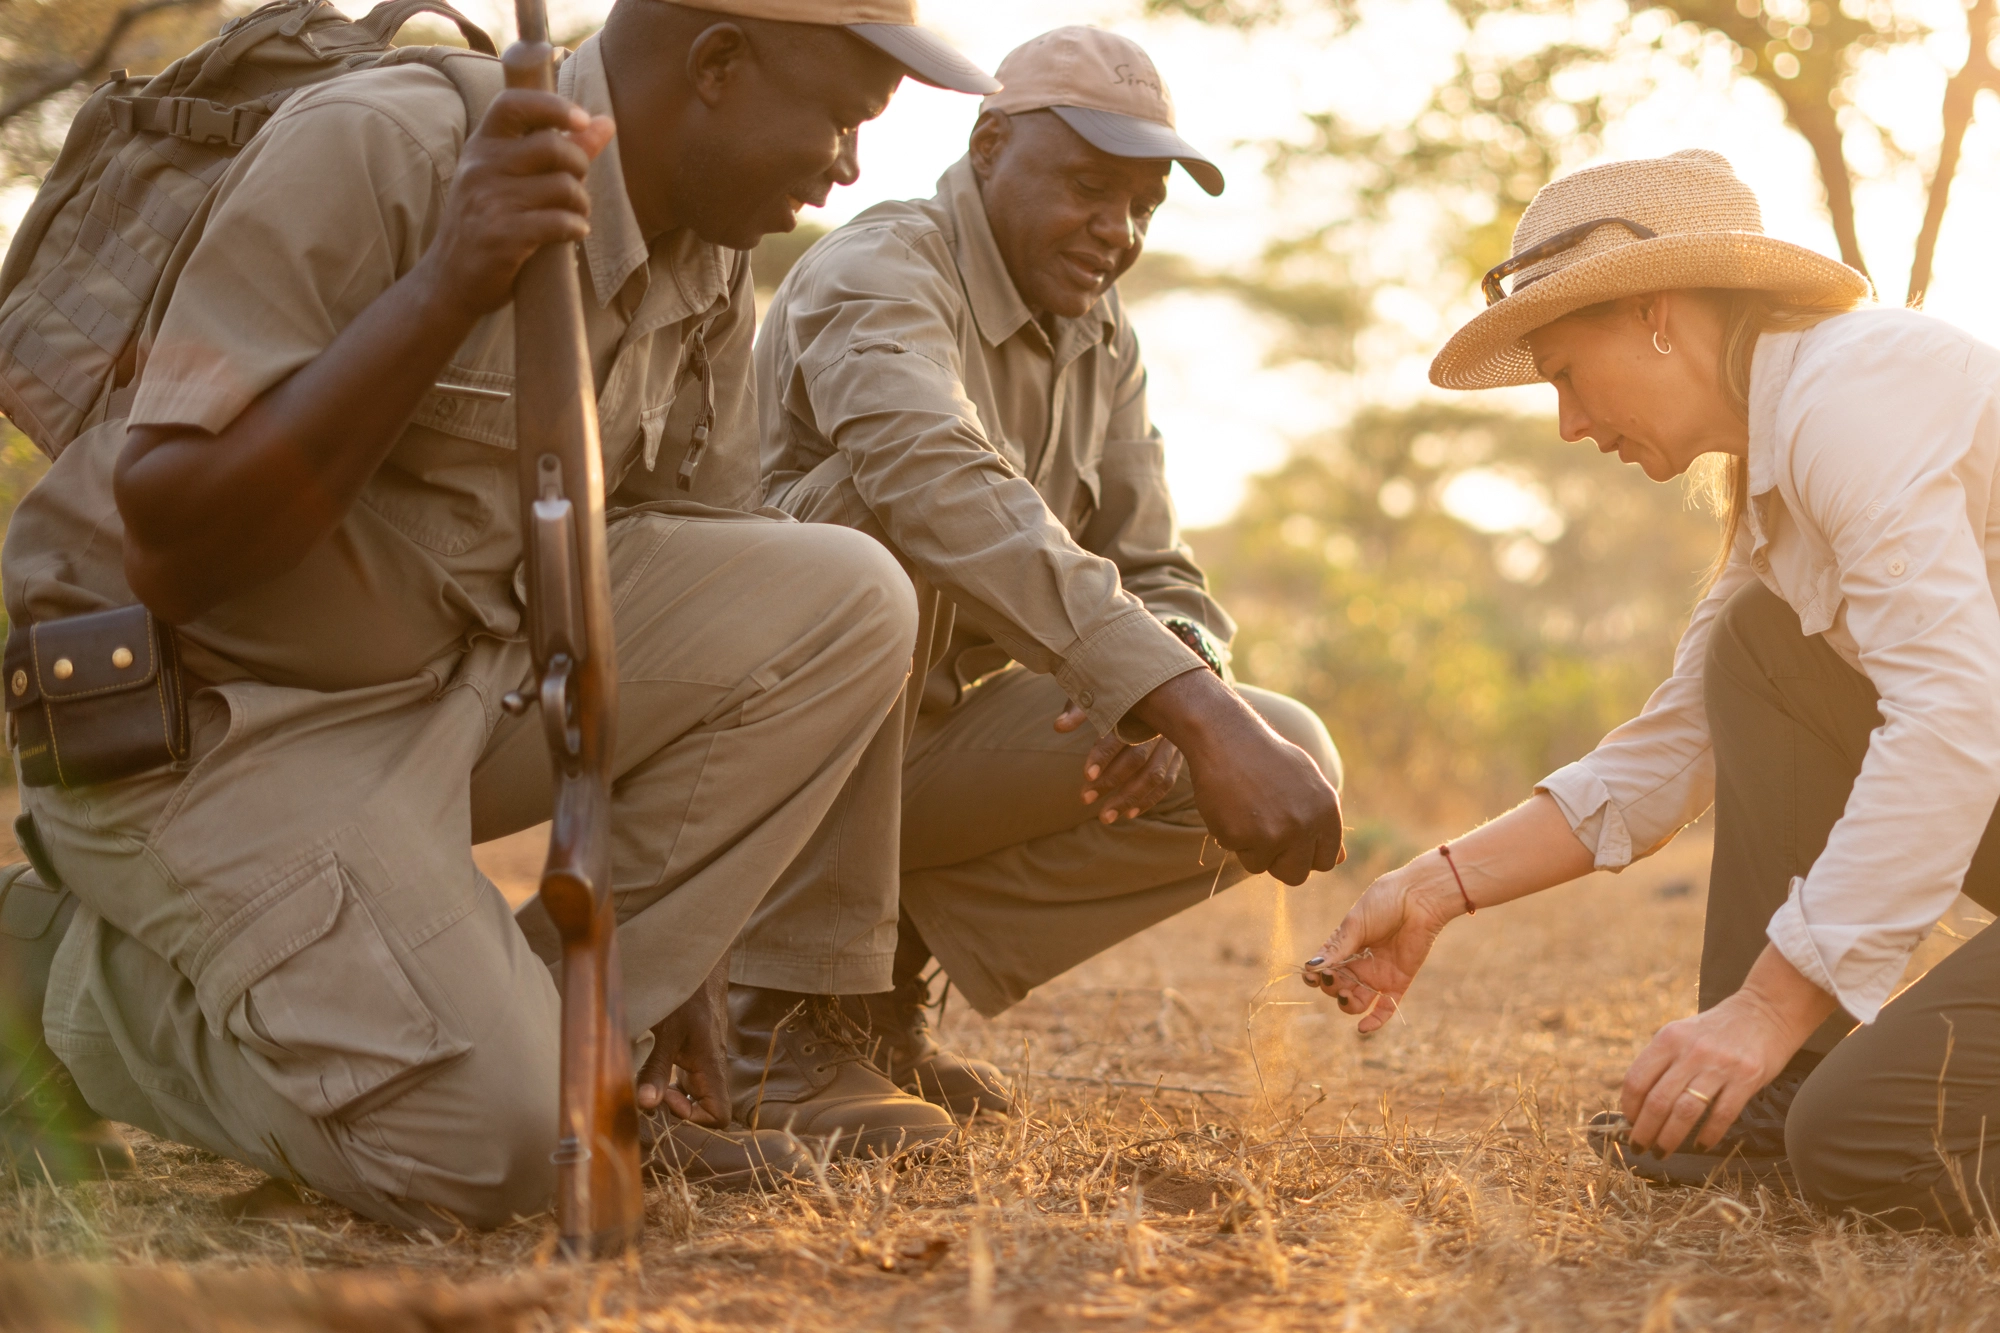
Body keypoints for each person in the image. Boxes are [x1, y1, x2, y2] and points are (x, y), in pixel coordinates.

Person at [0, 0, 997, 1227]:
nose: (848, 164)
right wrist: (448, 281)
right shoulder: (389, 146)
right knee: (505, 1162)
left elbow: (705, 589)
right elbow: (175, 538)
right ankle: (59, 983)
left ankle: (571, 1070)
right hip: (210, 726)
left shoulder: (708, 257)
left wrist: (677, 967)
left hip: (453, 689)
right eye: (841, 119)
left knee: (844, 596)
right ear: (718, 65)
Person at [1304, 147, 2000, 1231]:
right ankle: (1758, 1101)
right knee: (1755, 650)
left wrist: (1766, 1005)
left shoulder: (1853, 394)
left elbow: (1953, 719)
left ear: (1654, 313)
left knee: (1864, 1144)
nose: (1568, 426)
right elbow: (1674, 747)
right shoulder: (1773, 488)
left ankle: (1772, 1077)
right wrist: (1439, 883)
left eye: (1565, 375)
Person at [735, 26, 1346, 1146]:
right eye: (1086, 187)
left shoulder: (1102, 338)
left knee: (1283, 735)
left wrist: (1181, 675)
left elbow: (1161, 568)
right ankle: (766, 1018)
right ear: (985, 146)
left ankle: (869, 998)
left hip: (911, 752)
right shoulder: (880, 268)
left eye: (1143, 205)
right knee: (886, 522)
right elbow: (935, 482)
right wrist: (1179, 701)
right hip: (757, 753)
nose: (1117, 232)